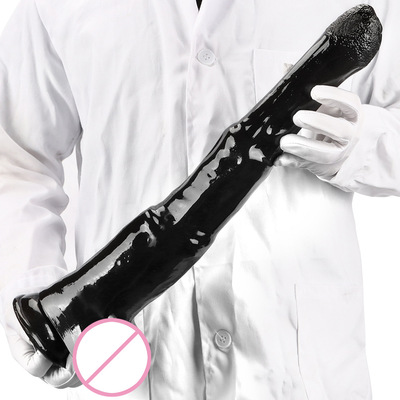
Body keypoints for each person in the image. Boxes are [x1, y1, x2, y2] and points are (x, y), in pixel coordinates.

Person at [0, 0, 399, 399]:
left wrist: (363, 143)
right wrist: (30, 275)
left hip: (305, 372)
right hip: (131, 365)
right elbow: (16, 156)